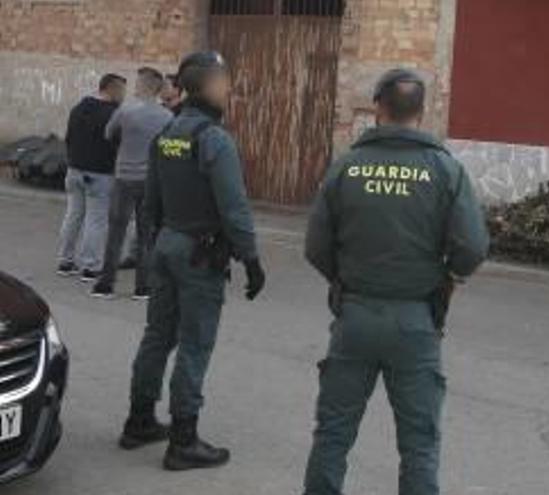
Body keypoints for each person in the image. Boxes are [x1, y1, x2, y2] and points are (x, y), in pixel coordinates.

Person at [301, 68, 490, 495]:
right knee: (419, 443)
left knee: (332, 434)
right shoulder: (445, 170)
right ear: (421, 112)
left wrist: (345, 279)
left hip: (355, 316)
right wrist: (449, 279)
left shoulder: (346, 167)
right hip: (415, 320)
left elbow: (315, 246)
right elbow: (473, 246)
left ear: (378, 108)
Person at [119, 51, 266, 471]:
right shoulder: (214, 139)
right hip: (200, 253)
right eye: (224, 82)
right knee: (194, 344)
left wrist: (154, 245)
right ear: (205, 86)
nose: (229, 89)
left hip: (166, 245)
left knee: (157, 335)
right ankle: (183, 440)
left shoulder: (167, 133)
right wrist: (251, 259)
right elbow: (234, 208)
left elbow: (151, 202)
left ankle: (140, 420)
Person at [91, 67, 174, 300]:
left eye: (137, 83)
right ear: (158, 89)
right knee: (146, 234)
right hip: (150, 180)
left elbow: (108, 135)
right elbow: (169, 147)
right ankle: (143, 287)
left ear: (142, 86)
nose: (134, 86)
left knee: (115, 233)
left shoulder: (125, 111)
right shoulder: (167, 116)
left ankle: (105, 285)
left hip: (124, 177)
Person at [56, 73, 127, 281]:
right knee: (96, 219)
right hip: (100, 173)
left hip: (75, 170)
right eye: (121, 91)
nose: (123, 96)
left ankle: (65, 261)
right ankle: (90, 266)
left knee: (73, 214)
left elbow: (68, 138)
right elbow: (118, 143)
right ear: (112, 90)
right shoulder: (114, 114)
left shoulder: (78, 109)